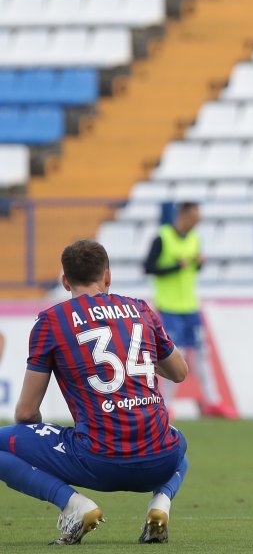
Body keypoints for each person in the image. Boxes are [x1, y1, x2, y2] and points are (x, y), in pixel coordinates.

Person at [0, 239, 190, 545]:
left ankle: (76, 506)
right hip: (160, 460)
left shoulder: (51, 320)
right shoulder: (141, 309)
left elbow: (25, 413)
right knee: (177, 441)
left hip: (98, 460)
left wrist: (41, 443)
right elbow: (180, 373)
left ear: (64, 281)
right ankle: (160, 504)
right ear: (108, 276)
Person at [144, 201, 235, 419]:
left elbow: (193, 267)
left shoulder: (195, 239)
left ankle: (213, 401)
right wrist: (177, 266)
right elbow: (149, 267)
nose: (197, 221)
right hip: (169, 307)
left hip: (190, 306)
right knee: (174, 356)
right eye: (194, 216)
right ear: (183, 214)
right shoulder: (163, 237)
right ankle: (165, 404)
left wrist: (198, 263)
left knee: (202, 354)